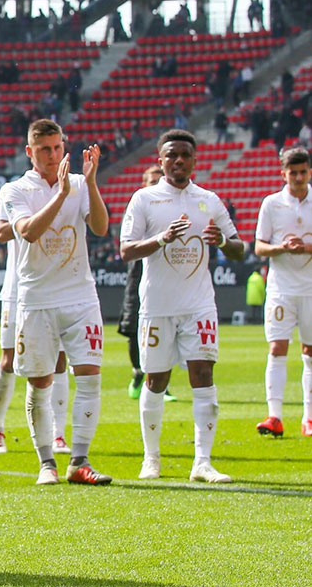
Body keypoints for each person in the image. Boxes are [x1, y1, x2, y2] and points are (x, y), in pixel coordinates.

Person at [120, 129, 245, 483]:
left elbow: (238, 248)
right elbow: (126, 250)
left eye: (184, 156)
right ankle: (152, 459)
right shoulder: (144, 199)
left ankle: (202, 463)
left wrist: (222, 241)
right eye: (171, 155)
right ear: (160, 160)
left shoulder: (208, 200)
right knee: (156, 379)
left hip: (199, 304)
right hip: (158, 305)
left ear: (194, 160)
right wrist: (162, 238)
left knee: (203, 376)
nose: (178, 161)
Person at [2, 119, 110, 485]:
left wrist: (90, 184)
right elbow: (29, 233)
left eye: (58, 147)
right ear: (30, 152)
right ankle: (46, 463)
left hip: (81, 296)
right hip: (36, 299)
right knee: (40, 383)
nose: (53, 155)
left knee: (90, 377)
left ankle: (79, 460)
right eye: (45, 149)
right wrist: (61, 195)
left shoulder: (80, 184)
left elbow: (100, 228)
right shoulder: (14, 190)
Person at [0, 186, 71, 455]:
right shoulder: (16, 192)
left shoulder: (71, 191)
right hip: (17, 290)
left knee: (59, 360)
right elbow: (1, 233)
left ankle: (58, 434)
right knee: (9, 359)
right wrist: (34, 220)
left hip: (56, 289)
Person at [252, 147, 312, 437]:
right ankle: (274, 416)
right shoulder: (271, 204)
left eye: (303, 171)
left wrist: (307, 247)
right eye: (293, 173)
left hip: (311, 289)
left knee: (310, 352)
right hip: (281, 289)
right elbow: (259, 246)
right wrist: (282, 248)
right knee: (277, 348)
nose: (298, 177)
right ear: (283, 174)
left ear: (309, 172)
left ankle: (309, 417)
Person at [121, 166, 177, 403]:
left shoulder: (172, 208)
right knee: (134, 329)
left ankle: (161, 384)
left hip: (166, 276)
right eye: (151, 181)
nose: (155, 185)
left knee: (167, 330)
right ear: (143, 184)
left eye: (158, 180)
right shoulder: (139, 206)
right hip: (139, 274)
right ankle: (138, 373)